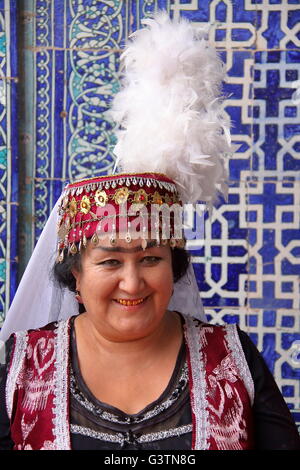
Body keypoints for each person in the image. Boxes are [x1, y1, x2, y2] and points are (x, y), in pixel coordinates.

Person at [0, 12, 299, 451]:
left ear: (174, 267)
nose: (132, 281)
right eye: (109, 261)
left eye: (151, 258)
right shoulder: (23, 367)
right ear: (75, 277)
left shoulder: (232, 358)